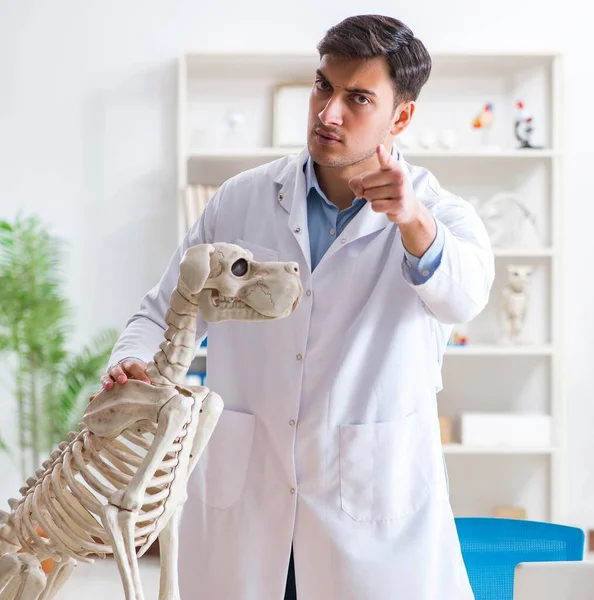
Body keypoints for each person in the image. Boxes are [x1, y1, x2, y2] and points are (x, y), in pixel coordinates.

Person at [99, 14, 494, 600]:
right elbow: (158, 313)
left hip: (368, 517)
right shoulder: (242, 200)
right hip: (246, 503)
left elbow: (463, 296)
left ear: (401, 116)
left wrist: (412, 222)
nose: (328, 113)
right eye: (322, 87)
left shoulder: (439, 215)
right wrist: (131, 364)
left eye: (357, 98)